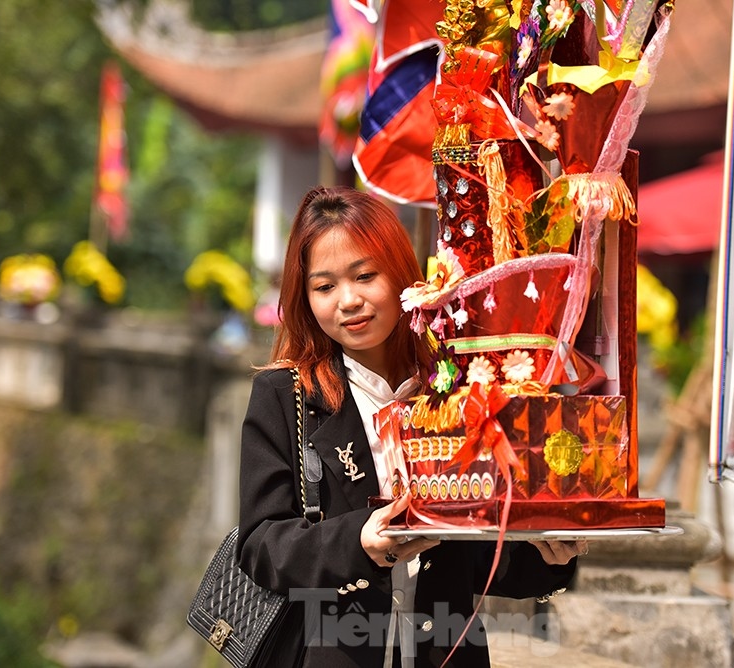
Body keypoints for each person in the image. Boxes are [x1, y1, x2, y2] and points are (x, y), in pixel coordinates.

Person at [236, 185, 584, 668]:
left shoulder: (462, 386)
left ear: (401, 271)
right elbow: (259, 546)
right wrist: (358, 541)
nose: (348, 300)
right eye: (324, 286)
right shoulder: (284, 393)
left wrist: (552, 551)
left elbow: (492, 560)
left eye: (365, 275)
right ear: (305, 295)